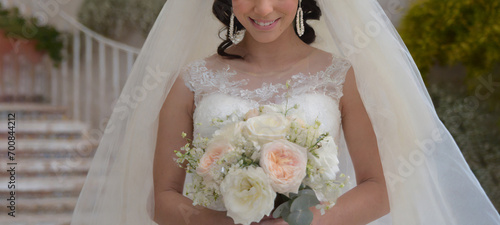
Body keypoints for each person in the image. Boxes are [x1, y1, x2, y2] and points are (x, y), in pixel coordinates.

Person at [71, 0, 500, 225]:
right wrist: (223, 224)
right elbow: (162, 200)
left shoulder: (340, 75)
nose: (263, 9)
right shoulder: (191, 80)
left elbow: (379, 186)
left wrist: (306, 223)